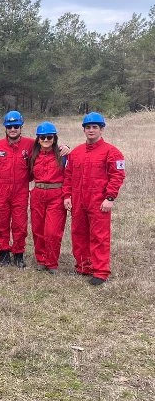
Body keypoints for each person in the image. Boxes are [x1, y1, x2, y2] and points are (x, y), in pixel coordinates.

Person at [63, 112, 126, 285]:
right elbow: (68, 176)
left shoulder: (112, 152)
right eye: (88, 127)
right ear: (84, 130)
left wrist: (110, 197)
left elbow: (117, 175)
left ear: (101, 129)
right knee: (79, 233)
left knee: (99, 236)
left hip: (99, 201)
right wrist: (67, 195)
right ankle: (83, 267)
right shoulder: (75, 153)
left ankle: (100, 271)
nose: (91, 130)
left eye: (95, 127)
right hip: (78, 200)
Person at [0, 110, 35, 268]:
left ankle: (19, 254)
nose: (13, 129)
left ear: (21, 126)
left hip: (20, 190)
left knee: (20, 224)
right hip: (1, 190)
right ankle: (3, 253)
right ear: (5, 128)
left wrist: (66, 147)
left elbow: (49, 147)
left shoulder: (30, 144)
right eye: (9, 127)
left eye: (16, 126)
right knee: (1, 223)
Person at [29, 122, 66, 275]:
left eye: (49, 137)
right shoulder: (33, 156)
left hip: (56, 195)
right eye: (42, 137)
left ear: (54, 138)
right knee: (38, 230)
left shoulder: (63, 155)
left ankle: (52, 262)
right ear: (38, 139)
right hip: (37, 194)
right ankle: (41, 260)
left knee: (52, 232)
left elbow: (69, 176)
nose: (46, 139)